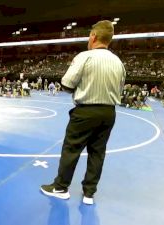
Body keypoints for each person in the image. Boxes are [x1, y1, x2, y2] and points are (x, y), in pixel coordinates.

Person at [40, 20, 126, 205]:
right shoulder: (119, 62)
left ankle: (61, 188)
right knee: (97, 152)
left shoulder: (85, 57)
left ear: (93, 37)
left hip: (86, 111)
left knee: (71, 149)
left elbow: (67, 84)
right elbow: (120, 89)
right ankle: (89, 193)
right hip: (108, 113)